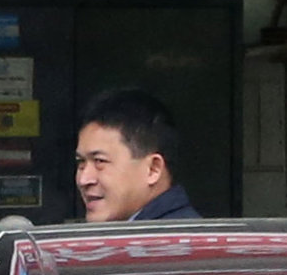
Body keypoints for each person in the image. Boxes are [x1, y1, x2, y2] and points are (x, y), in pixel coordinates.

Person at [74, 88, 201, 223]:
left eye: (100, 161)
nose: (84, 179)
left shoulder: (173, 241)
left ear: (153, 169)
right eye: (81, 162)